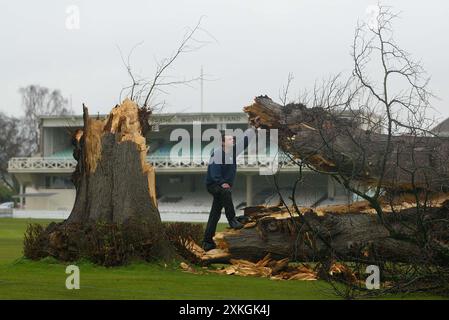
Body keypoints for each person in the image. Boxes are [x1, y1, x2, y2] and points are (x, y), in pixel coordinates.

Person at [202, 118, 260, 251]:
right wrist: (222, 183)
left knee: (215, 214)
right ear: (223, 143)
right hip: (214, 185)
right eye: (229, 139)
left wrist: (253, 128)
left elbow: (244, 141)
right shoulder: (217, 153)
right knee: (226, 192)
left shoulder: (232, 152)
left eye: (233, 139)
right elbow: (214, 172)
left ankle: (207, 242)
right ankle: (232, 220)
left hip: (222, 186)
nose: (233, 140)